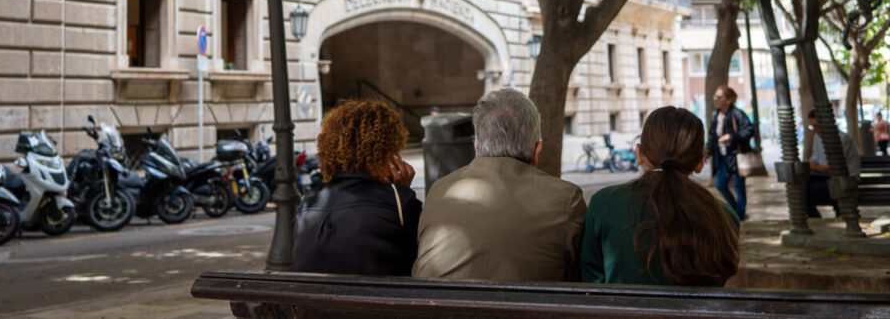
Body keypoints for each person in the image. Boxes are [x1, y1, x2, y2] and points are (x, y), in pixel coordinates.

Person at [412, 89, 585, 282]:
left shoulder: (439, 190)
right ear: (537, 149)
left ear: (476, 146)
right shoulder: (566, 199)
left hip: (430, 301)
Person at [581, 106, 740, 286]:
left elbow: (591, 279)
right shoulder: (724, 216)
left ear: (639, 153)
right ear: (700, 162)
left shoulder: (604, 203)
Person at [292, 99, 421, 275]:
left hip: (310, 293)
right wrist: (401, 192)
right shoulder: (399, 201)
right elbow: (416, 261)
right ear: (385, 151)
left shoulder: (307, 201)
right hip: (373, 293)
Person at [707, 86, 753, 220]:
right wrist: (707, 151)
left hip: (736, 157)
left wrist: (731, 137)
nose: (715, 99)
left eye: (719, 97)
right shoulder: (715, 115)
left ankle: (739, 215)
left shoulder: (737, 114)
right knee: (719, 184)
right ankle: (736, 212)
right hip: (721, 157)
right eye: (715, 96)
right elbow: (712, 136)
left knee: (739, 186)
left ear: (728, 100)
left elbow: (749, 130)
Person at [804, 109, 861, 219]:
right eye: (812, 126)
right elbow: (816, 157)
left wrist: (813, 167)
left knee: (808, 190)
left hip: (846, 179)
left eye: (816, 126)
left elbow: (834, 167)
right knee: (801, 184)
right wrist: (809, 165)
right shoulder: (817, 137)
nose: (815, 130)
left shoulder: (841, 139)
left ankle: (817, 218)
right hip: (827, 176)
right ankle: (814, 217)